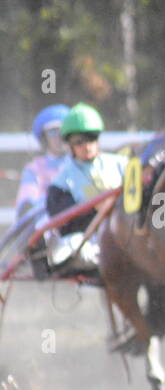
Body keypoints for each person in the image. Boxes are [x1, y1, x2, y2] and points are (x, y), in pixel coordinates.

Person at [43, 103, 127, 274]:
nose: (87, 146)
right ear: (70, 145)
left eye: (91, 138)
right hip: (89, 240)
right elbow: (65, 225)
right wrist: (97, 210)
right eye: (79, 142)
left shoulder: (121, 164)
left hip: (126, 230)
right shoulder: (61, 182)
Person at [14, 105, 69, 226]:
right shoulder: (34, 169)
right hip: (49, 227)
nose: (59, 137)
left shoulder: (81, 164)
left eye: (63, 131)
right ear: (44, 137)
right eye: (53, 132)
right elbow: (27, 204)